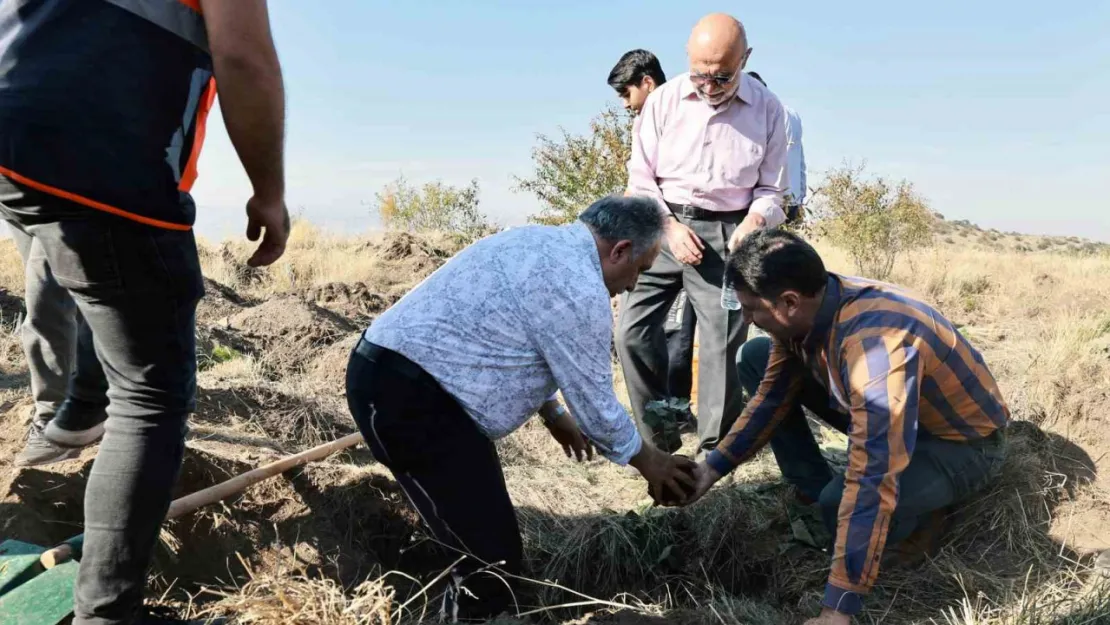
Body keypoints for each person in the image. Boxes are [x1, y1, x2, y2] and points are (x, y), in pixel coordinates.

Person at [0, 1, 289, 623]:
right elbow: (243, 56)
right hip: (108, 160)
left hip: (11, 143)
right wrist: (269, 192)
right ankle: (107, 613)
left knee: (65, 260)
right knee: (151, 393)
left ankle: (77, 405)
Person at [346, 195, 697, 622]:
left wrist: (551, 412)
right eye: (639, 271)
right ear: (619, 250)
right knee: (488, 562)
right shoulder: (579, 288)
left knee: (489, 548)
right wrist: (650, 463)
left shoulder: (534, 241)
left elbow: (513, 342)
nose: (633, 286)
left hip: (399, 381)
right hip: (409, 399)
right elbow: (597, 406)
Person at [685, 229, 1010, 625]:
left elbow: (874, 472)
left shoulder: (875, 347)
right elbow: (772, 397)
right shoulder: (812, 302)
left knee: (841, 502)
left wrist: (838, 609)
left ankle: (926, 520)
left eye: (752, 309)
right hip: (903, 415)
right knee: (754, 356)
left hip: (961, 444)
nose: (748, 318)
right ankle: (813, 488)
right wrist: (711, 469)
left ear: (789, 302)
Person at [617, 13, 789, 453]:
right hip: (660, 226)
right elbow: (640, 179)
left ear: (745, 59)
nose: (708, 85)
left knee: (721, 346)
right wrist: (670, 228)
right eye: (700, 74)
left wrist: (754, 222)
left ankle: (713, 453)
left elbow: (773, 189)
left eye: (722, 76)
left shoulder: (769, 111)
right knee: (631, 332)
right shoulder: (663, 101)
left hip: (728, 232)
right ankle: (658, 438)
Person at [607, 49, 697, 418]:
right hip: (654, 238)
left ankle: (680, 416)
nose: (627, 105)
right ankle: (656, 421)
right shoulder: (642, 123)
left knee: (679, 334)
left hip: (692, 236)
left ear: (647, 82)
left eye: (627, 94)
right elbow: (639, 182)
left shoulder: (690, 114)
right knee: (631, 333)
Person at [7, 224, 107, 467]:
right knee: (70, 288)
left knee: (45, 298)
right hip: (17, 194)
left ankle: (57, 418)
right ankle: (90, 399)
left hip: (64, 194)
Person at [748, 71, 806, 222]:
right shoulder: (792, 114)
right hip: (792, 198)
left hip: (771, 199)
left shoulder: (766, 114)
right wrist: (801, 198)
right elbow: (800, 160)